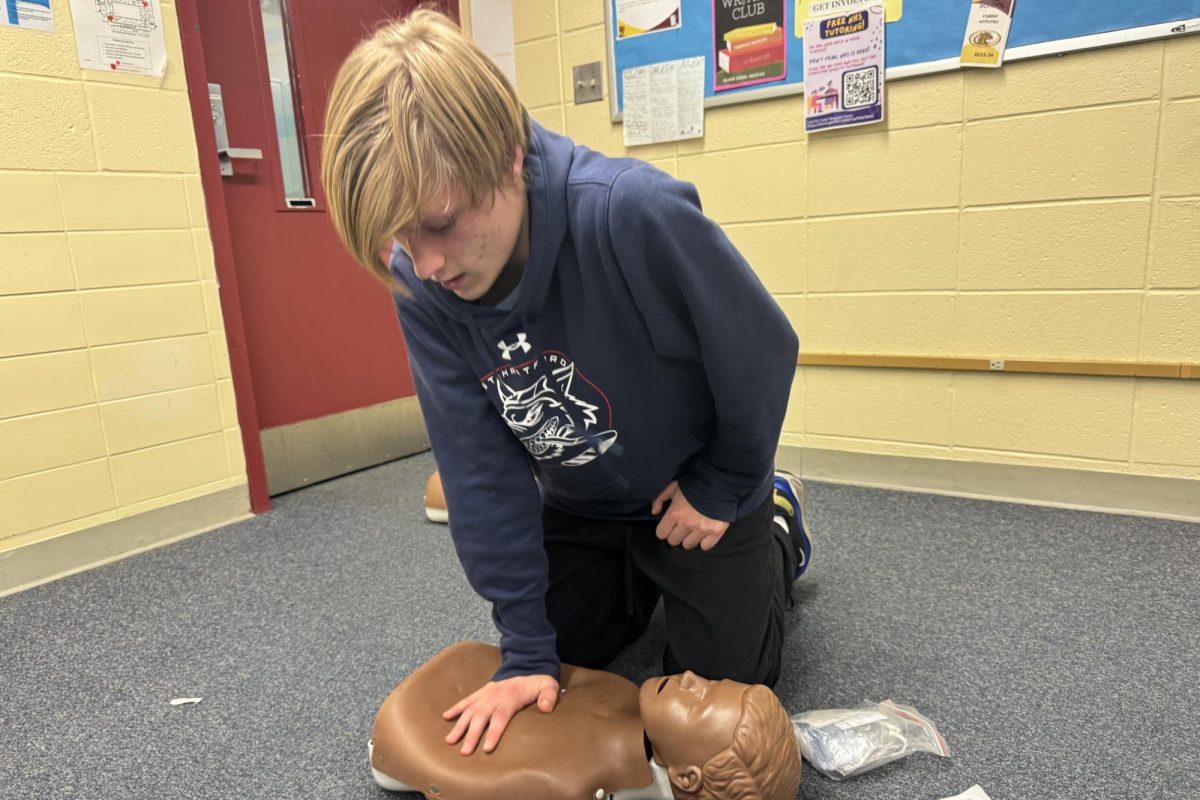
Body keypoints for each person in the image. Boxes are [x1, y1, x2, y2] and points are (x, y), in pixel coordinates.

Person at [321, 9, 812, 759]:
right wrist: (522, 647)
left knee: (717, 699)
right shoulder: (421, 283)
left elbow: (762, 347)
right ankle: (639, 578)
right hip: (581, 497)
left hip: (699, 481)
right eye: (399, 237)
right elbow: (477, 466)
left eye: (441, 222)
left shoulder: (631, 213)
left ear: (508, 157)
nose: (425, 265)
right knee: (564, 657)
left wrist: (730, 480)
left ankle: (778, 521)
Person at [369, 641, 801, 800]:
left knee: (747, 646)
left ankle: (779, 528)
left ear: (687, 778)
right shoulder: (620, 699)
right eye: (711, 682)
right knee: (574, 628)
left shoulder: (578, 783)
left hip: (416, 734)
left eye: (700, 700)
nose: (690, 676)